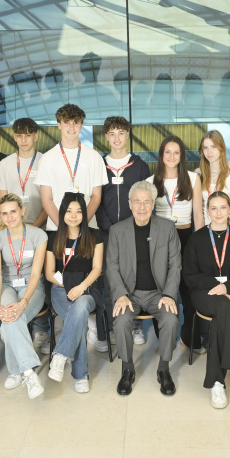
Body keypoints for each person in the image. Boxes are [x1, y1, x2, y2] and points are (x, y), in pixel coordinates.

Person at [35, 104, 108, 353]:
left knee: (89, 278)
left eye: (76, 122)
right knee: (58, 281)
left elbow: (96, 196)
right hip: (56, 230)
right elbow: (46, 199)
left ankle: (91, 324)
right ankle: (63, 327)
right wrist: (65, 226)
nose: (71, 127)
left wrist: (80, 224)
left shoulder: (93, 157)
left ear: (81, 124)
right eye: (66, 122)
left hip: (87, 229)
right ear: (58, 125)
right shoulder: (47, 158)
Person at [106, 181, 182, 397]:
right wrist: (120, 294)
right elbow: (111, 266)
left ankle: (164, 369)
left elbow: (175, 265)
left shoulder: (167, 228)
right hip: (129, 294)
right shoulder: (117, 231)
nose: (141, 207)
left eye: (146, 202)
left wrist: (168, 294)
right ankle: (127, 368)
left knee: (170, 319)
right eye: (137, 202)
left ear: (153, 204)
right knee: (121, 321)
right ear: (130, 204)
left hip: (158, 294)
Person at [183, 192, 230, 408]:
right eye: (214, 208)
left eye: (223, 207)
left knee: (222, 315)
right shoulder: (197, 238)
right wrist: (217, 286)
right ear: (207, 210)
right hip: (204, 293)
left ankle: (216, 383)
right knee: (225, 308)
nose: (219, 212)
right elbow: (189, 274)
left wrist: (227, 287)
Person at [95, 115, 151, 350]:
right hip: (107, 232)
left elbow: (146, 199)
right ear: (106, 137)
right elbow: (95, 200)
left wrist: (133, 226)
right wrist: (108, 226)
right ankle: (111, 327)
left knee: (136, 278)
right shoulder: (99, 164)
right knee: (110, 281)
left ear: (127, 134)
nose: (117, 138)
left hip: (135, 231)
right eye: (112, 133)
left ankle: (135, 325)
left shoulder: (139, 165)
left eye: (121, 133)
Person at [147, 136, 204, 353]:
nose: (172, 157)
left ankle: (190, 337)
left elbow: (198, 213)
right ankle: (164, 338)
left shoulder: (192, 178)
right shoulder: (151, 180)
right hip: (161, 239)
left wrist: (199, 245)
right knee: (160, 289)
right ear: (161, 155)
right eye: (167, 152)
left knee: (189, 291)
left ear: (182, 156)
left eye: (176, 152)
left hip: (187, 235)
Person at [0, 193, 49, 399]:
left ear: (22, 211)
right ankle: (29, 373)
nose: (10, 217)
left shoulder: (38, 235)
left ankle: (16, 371)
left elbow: (35, 273)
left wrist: (23, 303)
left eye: (13, 211)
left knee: (12, 319)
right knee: (8, 315)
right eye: (4, 213)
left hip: (32, 287)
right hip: (6, 285)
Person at [45, 193, 103, 393]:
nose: (73, 215)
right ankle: (80, 375)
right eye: (69, 211)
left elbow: (97, 269)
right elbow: (49, 273)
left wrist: (80, 287)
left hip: (87, 289)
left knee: (78, 309)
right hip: (60, 289)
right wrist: (67, 285)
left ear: (84, 214)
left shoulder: (94, 236)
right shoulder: (53, 237)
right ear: (62, 213)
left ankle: (60, 356)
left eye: (78, 211)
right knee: (78, 317)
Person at [0, 117, 47, 229]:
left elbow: (50, 201)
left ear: (35, 137)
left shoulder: (45, 162)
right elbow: (2, 202)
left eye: (28, 135)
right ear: (15, 137)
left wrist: (34, 228)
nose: (23, 140)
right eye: (19, 135)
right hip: (11, 228)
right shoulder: (4, 164)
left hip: (40, 228)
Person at [196, 130, 230, 230]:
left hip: (227, 231)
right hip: (205, 230)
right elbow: (198, 212)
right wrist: (199, 237)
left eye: (213, 147)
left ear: (221, 148)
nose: (209, 152)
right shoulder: (198, 173)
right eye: (205, 148)